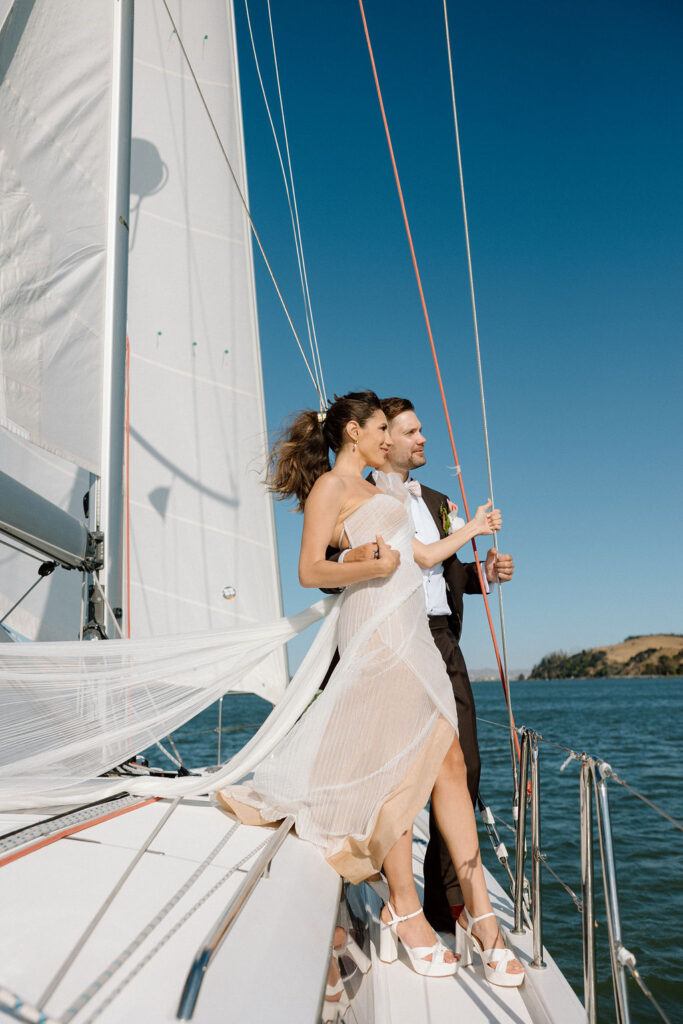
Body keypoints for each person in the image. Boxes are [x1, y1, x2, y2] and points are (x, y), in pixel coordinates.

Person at [218, 391, 523, 985]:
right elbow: (311, 571)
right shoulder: (330, 489)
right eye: (383, 428)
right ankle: (407, 909)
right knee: (399, 767)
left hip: (414, 630)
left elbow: (422, 554)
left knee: (451, 762)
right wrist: (363, 562)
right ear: (353, 432)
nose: (391, 438)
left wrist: (473, 546)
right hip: (378, 632)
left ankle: (479, 914)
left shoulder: (387, 491)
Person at [337, 397, 515, 935]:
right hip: (396, 637)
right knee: (392, 769)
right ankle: (391, 889)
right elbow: (337, 568)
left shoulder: (436, 501)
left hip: (443, 641)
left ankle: (446, 905)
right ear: (384, 437)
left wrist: (486, 572)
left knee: (465, 767)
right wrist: (474, 529)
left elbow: (449, 572)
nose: (422, 441)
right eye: (413, 432)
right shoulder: (363, 493)